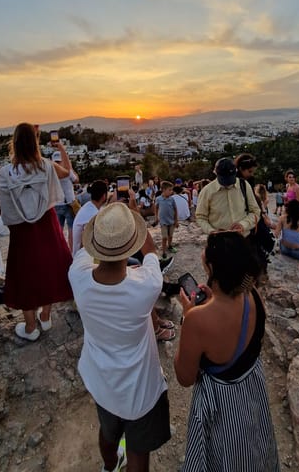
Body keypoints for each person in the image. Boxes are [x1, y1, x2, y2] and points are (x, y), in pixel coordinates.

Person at [68, 203, 171, 472]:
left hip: (102, 380)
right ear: (131, 246)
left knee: (108, 432)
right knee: (138, 450)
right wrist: (138, 227)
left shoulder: (78, 279)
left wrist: (103, 227)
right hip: (141, 387)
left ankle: (110, 466)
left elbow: (81, 249)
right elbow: (150, 251)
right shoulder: (146, 286)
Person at [174, 231, 280, 471]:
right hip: (252, 389)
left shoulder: (197, 319)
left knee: (222, 455)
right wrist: (213, 299)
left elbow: (184, 377)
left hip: (220, 403)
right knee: (253, 446)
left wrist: (187, 316)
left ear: (210, 266)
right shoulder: (253, 295)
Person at [0, 123, 73, 341]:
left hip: (21, 229)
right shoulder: (46, 166)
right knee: (48, 267)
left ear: (15, 143)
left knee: (25, 274)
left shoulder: (6, 173)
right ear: (34, 142)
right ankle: (46, 316)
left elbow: (7, 205)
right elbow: (67, 173)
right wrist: (62, 149)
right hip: (46, 223)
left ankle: (30, 327)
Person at [196, 158, 260, 238]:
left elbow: (255, 212)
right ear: (216, 173)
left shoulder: (244, 186)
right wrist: (211, 231)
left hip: (243, 239)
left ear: (236, 172)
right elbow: (200, 217)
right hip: (219, 241)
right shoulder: (207, 191)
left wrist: (243, 225)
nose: (227, 184)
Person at [52, 149, 79, 252]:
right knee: (71, 230)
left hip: (56, 204)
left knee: (58, 232)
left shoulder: (51, 173)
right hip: (69, 204)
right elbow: (76, 180)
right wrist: (70, 167)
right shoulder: (67, 172)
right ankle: (71, 253)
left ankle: (59, 252)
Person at [71, 180, 108, 255]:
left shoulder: (89, 206)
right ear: (104, 196)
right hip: (84, 258)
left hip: (81, 255)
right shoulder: (92, 215)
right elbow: (85, 242)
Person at [155, 180, 178, 262]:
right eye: (169, 190)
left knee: (170, 235)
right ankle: (164, 252)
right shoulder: (158, 199)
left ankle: (170, 246)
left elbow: (175, 209)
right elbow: (156, 207)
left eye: (172, 190)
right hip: (163, 222)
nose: (171, 192)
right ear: (164, 190)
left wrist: (176, 220)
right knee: (164, 237)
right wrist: (156, 217)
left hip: (171, 221)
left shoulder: (172, 199)